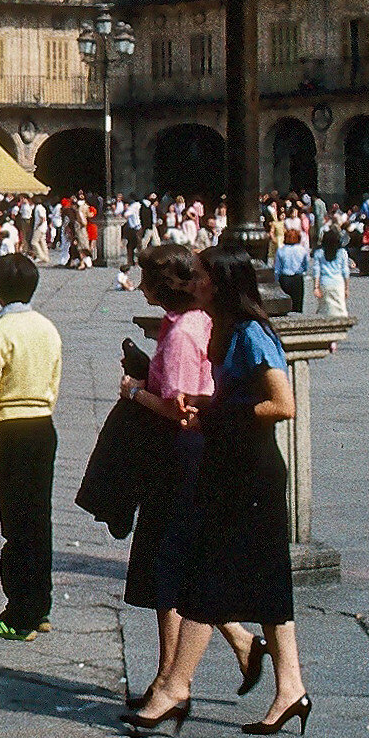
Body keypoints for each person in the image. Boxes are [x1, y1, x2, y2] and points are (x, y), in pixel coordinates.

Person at [132, 250, 310, 736]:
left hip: (250, 471)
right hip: (234, 465)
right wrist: (206, 402)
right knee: (269, 582)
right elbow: (236, 399)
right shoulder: (225, 330)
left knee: (206, 575)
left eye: (201, 275)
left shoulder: (251, 333)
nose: (193, 282)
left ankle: (175, 687)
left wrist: (218, 413)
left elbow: (283, 404)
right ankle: (291, 688)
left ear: (221, 283)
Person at [119, 246, 267, 714]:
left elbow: (179, 409)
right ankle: (180, 671)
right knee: (170, 563)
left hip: (183, 454)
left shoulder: (184, 331)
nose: (139, 286)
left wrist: (135, 392)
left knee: (171, 562)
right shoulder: (187, 323)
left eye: (145, 278)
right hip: (183, 453)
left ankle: (172, 680)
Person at [0, 252, 61, 640]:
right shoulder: (48, 328)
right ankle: (40, 605)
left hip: (10, 429)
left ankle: (19, 613)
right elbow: (54, 379)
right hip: (42, 425)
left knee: (15, 525)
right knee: (39, 520)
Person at [309, 231, 351, 319]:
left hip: (324, 282)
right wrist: (347, 288)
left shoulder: (319, 253)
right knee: (340, 308)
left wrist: (316, 287)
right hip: (338, 283)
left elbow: (316, 271)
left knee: (324, 308)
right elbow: (345, 271)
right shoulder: (342, 252)